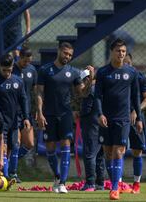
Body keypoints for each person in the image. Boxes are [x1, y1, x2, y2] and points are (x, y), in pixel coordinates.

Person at [36, 42, 94, 193]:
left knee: (66, 146)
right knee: (50, 149)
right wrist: (40, 113)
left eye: (70, 55)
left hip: (66, 114)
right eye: (65, 53)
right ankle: (57, 176)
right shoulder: (44, 70)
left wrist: (89, 81)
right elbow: (39, 93)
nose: (67, 57)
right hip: (48, 114)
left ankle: (62, 182)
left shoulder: (73, 72)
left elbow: (82, 93)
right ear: (59, 51)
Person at [95, 38, 142, 200]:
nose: (121, 54)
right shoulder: (102, 72)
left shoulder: (131, 72)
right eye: (118, 51)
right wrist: (100, 114)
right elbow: (98, 96)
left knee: (118, 152)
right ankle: (114, 181)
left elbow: (136, 97)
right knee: (108, 153)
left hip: (123, 119)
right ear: (112, 52)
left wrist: (140, 118)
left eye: (123, 51)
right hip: (106, 119)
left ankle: (114, 188)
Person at [0, 53, 30, 179]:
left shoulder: (18, 81)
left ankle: (13, 174)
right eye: (4, 70)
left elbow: (24, 99)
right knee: (3, 149)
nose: (6, 73)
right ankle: (4, 177)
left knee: (15, 146)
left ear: (12, 67)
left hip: (15, 121)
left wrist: (26, 117)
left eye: (9, 70)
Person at [123, 53, 146, 194]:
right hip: (119, 118)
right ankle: (118, 183)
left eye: (128, 62)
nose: (126, 65)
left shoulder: (140, 77)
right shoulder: (115, 76)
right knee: (117, 150)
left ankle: (136, 184)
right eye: (124, 62)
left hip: (136, 119)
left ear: (131, 63)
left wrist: (136, 111)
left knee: (137, 150)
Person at [10, 47, 37, 183]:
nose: (27, 64)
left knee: (30, 143)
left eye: (29, 62)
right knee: (16, 143)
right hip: (14, 112)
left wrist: (38, 110)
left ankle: (10, 162)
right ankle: (13, 173)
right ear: (19, 57)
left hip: (27, 112)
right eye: (25, 61)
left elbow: (34, 92)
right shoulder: (12, 69)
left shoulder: (32, 70)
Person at [79, 69, 105, 192]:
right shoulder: (101, 89)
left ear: (88, 79)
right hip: (100, 125)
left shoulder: (90, 90)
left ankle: (90, 183)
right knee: (99, 155)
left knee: (89, 154)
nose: (81, 84)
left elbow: (86, 108)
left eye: (82, 81)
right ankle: (100, 183)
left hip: (91, 125)